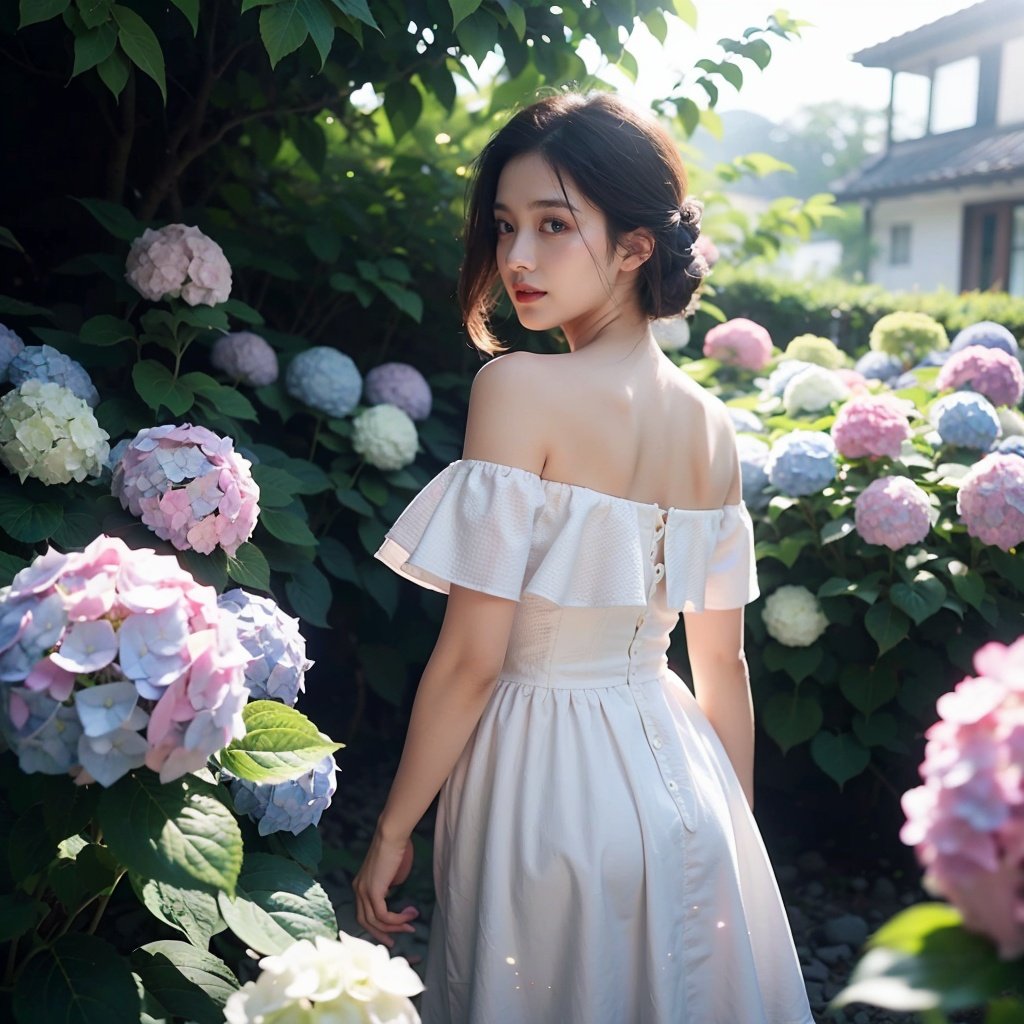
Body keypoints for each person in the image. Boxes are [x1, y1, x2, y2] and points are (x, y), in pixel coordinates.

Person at [353, 91, 813, 1024]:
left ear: (638, 244)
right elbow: (720, 666)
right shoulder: (712, 425)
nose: (517, 258)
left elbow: (475, 656)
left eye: (554, 225)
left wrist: (394, 825)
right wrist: (735, 832)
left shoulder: (518, 388)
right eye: (506, 227)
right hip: (687, 778)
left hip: (545, 774)